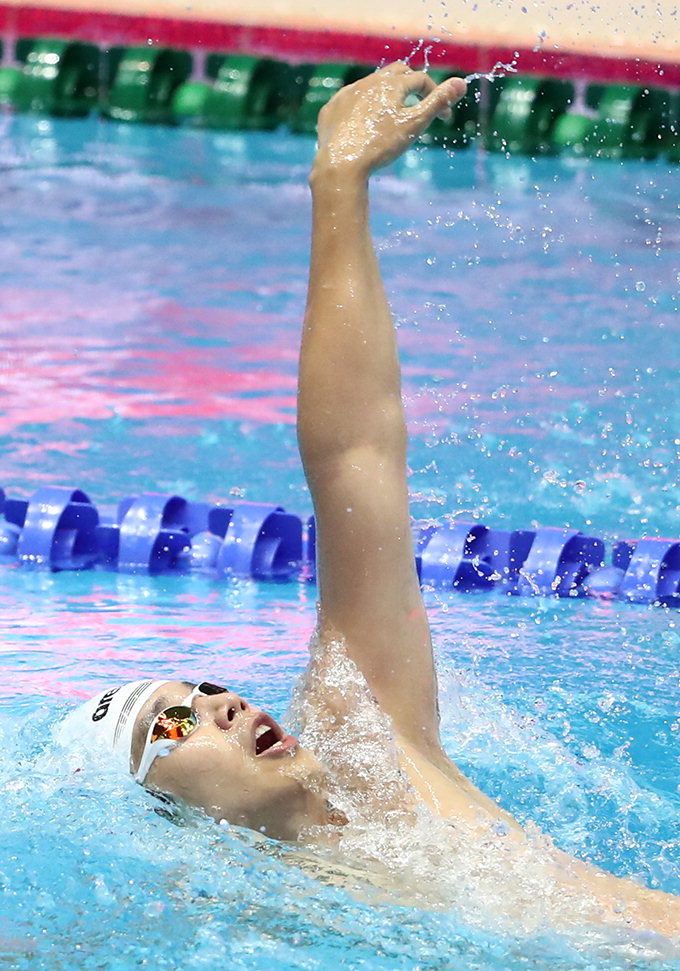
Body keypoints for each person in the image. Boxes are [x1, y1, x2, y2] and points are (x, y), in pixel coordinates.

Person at [56, 64, 680, 941]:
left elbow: (357, 457)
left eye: (208, 688)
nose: (225, 703)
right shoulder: (253, 922)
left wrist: (337, 183)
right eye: (175, 720)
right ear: (158, 805)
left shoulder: (371, 744)